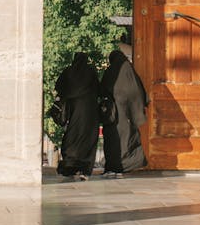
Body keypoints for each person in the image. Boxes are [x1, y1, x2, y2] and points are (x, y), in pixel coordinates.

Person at [100, 44, 149, 177]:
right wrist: (135, 110)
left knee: (112, 140)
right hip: (128, 116)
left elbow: (102, 90)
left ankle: (112, 168)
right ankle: (124, 167)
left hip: (114, 115)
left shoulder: (111, 72)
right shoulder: (130, 72)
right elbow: (140, 93)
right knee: (127, 140)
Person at [54, 51, 100, 180]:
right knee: (88, 139)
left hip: (73, 110)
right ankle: (85, 170)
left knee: (72, 136)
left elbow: (59, 87)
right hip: (90, 112)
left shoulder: (69, 71)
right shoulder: (91, 72)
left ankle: (70, 167)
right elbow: (98, 88)